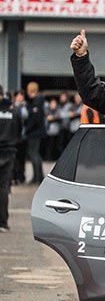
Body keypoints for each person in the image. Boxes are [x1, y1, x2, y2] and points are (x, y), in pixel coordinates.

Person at [0, 84, 23, 232]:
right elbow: (20, 129)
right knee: (3, 187)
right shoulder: (14, 109)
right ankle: (3, 222)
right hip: (10, 151)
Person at [24, 82, 45, 185]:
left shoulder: (36, 102)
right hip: (37, 132)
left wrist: (27, 129)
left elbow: (35, 119)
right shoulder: (38, 101)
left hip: (34, 132)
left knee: (34, 154)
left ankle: (37, 177)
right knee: (36, 154)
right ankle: (38, 176)